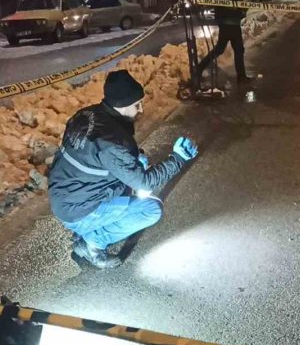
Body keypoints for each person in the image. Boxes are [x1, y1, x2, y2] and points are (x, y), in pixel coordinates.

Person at [48, 69, 199, 269]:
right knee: (151, 209)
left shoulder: (87, 115)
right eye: (137, 104)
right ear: (122, 105)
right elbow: (144, 181)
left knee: (132, 178)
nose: (141, 109)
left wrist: (135, 159)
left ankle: (86, 228)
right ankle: (92, 243)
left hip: (64, 193)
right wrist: (178, 158)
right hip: (77, 208)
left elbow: (95, 157)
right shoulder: (111, 142)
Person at [195, 0, 249, 85]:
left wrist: (242, 7)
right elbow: (223, 0)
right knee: (226, 49)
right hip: (228, 23)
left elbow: (236, 1)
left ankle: (241, 77)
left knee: (232, 49)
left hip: (233, 22)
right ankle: (199, 68)